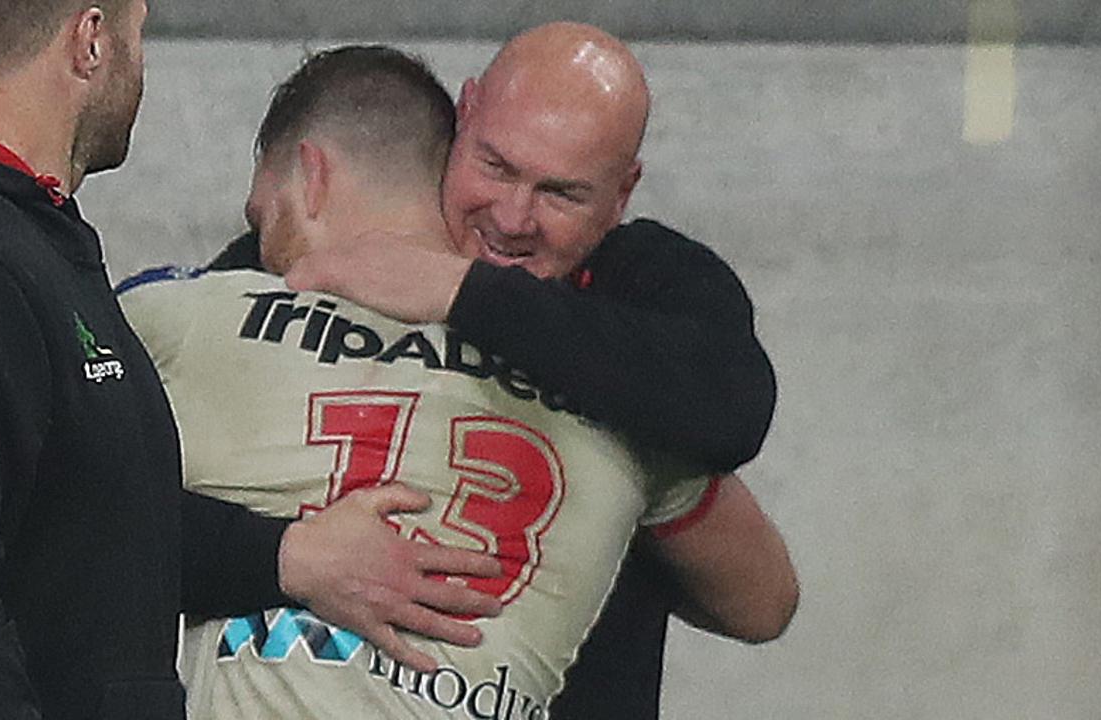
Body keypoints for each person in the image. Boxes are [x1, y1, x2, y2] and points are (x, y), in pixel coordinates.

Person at [118, 45, 795, 718]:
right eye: (495, 167)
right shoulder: (267, 283)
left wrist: (465, 293)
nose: (511, 219)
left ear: (622, 193)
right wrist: (288, 557)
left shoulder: (636, 300)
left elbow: (760, 571)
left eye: (561, 192)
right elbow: (66, 516)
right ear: (461, 121)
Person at [0, 4, 498, 718]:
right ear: (92, 40)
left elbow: (82, 517)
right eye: (138, 33)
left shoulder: (13, 246)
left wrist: (283, 557)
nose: (141, 63)